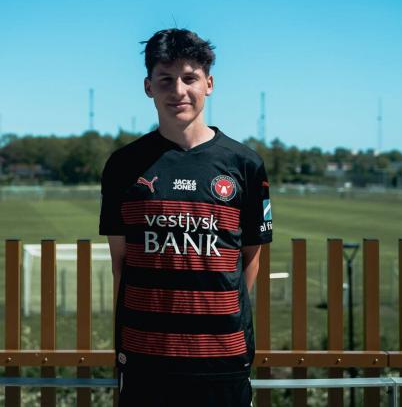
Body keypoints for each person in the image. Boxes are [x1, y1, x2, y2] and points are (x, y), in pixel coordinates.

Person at [99, 28, 273, 407]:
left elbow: (252, 257)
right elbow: (120, 263)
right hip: (146, 357)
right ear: (148, 86)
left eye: (189, 78)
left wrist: (217, 317)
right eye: (165, 79)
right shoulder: (122, 166)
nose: (178, 90)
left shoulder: (244, 164)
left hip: (222, 356)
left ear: (209, 84)